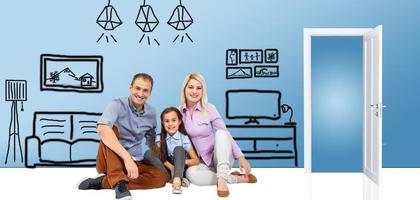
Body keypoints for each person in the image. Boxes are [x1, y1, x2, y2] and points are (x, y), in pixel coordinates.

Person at [77, 73, 168, 200]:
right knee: (110, 129)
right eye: (137, 88)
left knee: (161, 177)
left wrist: (167, 156)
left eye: (145, 90)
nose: (141, 93)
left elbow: (151, 141)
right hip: (111, 159)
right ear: (130, 88)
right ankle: (119, 183)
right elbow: (102, 129)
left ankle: (105, 182)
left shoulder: (151, 112)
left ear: (150, 93)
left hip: (136, 162)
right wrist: (126, 158)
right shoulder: (117, 104)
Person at [179, 73, 257, 197]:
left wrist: (241, 157)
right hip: (202, 164)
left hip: (221, 158)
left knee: (221, 133)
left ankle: (222, 181)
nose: (194, 91)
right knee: (191, 174)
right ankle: (235, 179)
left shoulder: (209, 108)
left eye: (199, 88)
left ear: (203, 91)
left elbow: (226, 133)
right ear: (184, 89)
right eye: (191, 87)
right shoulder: (178, 113)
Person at [144, 107, 200, 194]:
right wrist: (171, 167)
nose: (170, 124)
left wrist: (179, 162)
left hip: (180, 168)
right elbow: (159, 157)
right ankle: (168, 176)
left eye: (173, 120)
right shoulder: (159, 138)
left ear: (179, 121)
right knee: (148, 153)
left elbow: (196, 161)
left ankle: (177, 180)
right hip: (166, 168)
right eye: (167, 121)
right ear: (163, 123)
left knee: (179, 149)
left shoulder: (184, 138)